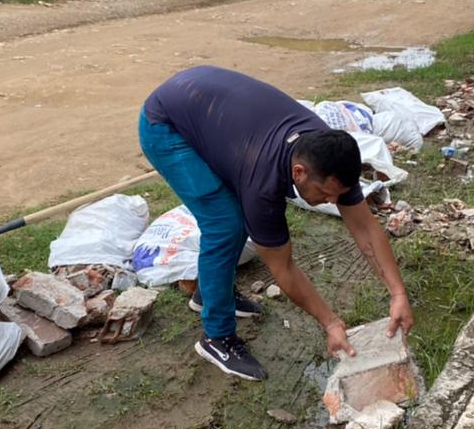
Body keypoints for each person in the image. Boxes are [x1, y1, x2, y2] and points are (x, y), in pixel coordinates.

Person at [139, 66, 414, 381]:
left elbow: (365, 228)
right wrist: (331, 323)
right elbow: (283, 268)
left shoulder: (331, 157)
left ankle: (210, 293)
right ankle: (217, 338)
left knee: (232, 214)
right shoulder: (263, 184)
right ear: (299, 173)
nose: (330, 202)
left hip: (208, 108)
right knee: (226, 224)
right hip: (165, 125)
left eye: (337, 196)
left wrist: (398, 294)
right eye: (325, 195)